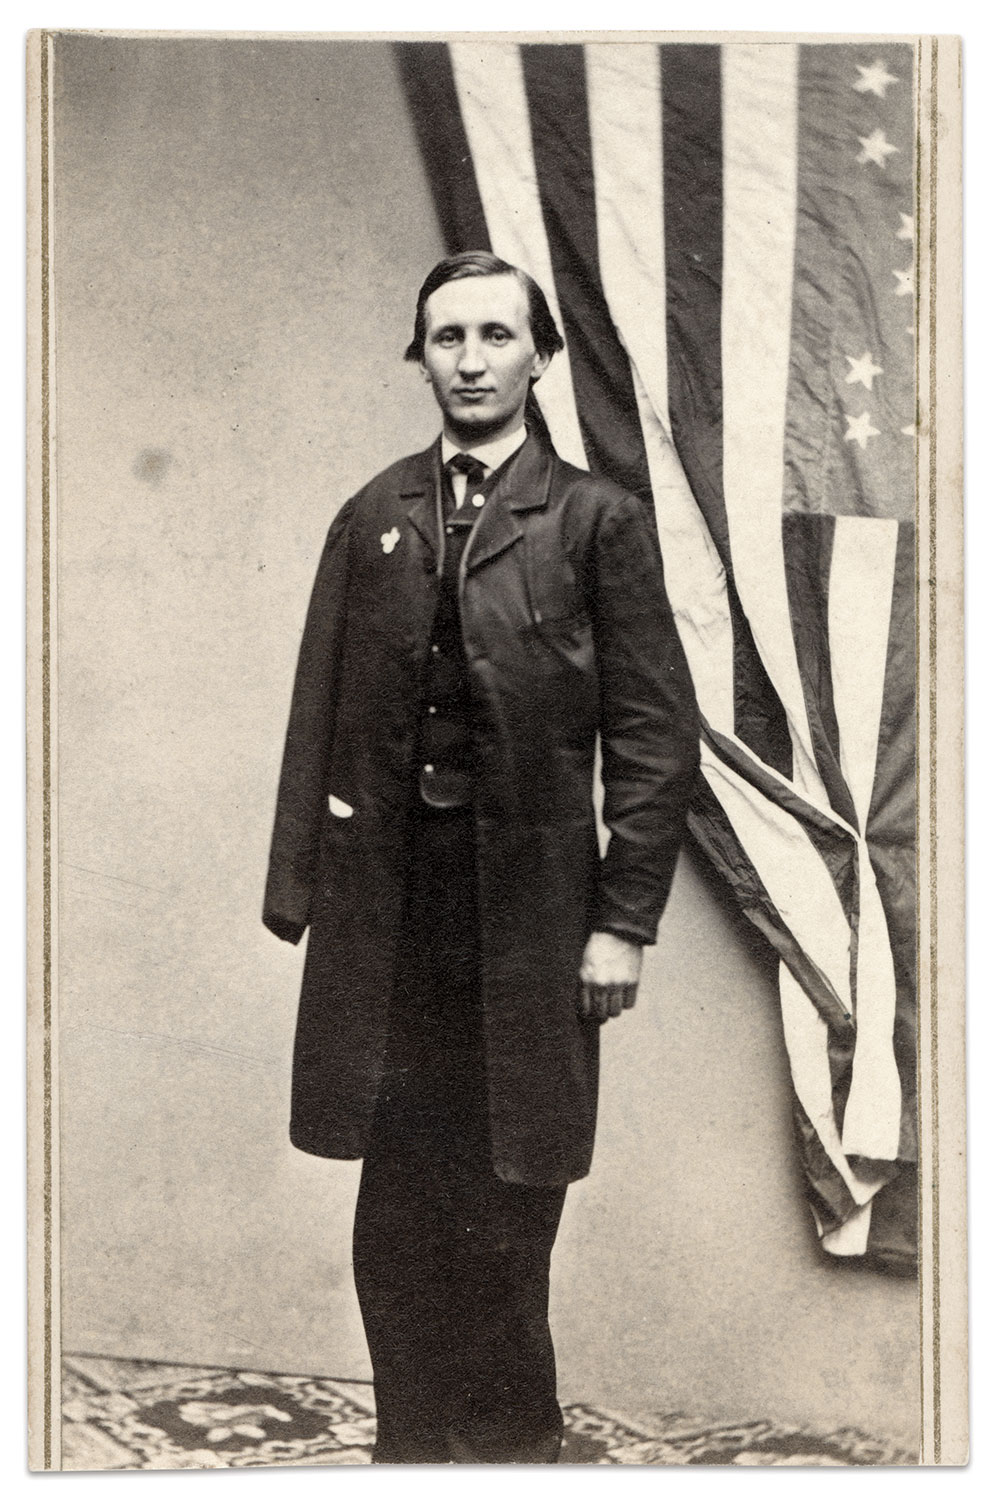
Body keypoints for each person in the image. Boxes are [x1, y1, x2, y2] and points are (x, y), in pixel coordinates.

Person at [263, 251, 699, 1464]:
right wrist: (298, 893)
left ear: (539, 359)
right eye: (445, 338)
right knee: (395, 1207)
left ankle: (510, 1455)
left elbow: (658, 736)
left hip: (533, 919)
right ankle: (410, 1449)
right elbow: (320, 710)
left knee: (508, 1207)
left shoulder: (596, 521)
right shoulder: (374, 515)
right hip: (391, 917)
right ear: (420, 357)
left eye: (495, 337)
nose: (469, 360)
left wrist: (623, 921)